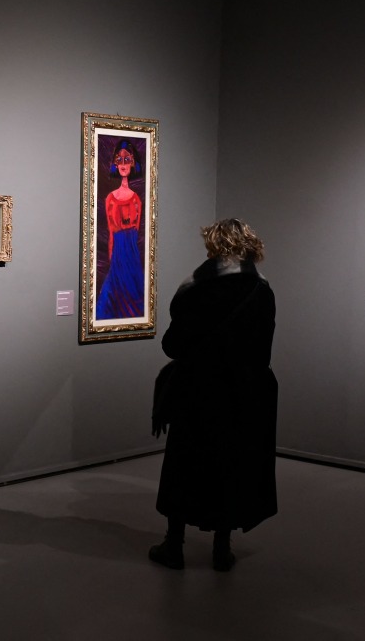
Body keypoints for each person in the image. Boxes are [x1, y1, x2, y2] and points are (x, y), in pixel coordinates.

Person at [149, 218, 277, 572]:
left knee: (184, 465)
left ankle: (174, 545)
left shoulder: (197, 287)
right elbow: (263, 351)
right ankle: (222, 549)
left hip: (197, 391)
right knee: (230, 466)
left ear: (214, 247)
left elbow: (173, 345)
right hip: (242, 395)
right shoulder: (261, 290)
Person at [95, 140, 146, 320]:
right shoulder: (110, 198)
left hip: (131, 255)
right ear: (115, 164)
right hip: (117, 253)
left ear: (133, 163)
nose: (123, 164)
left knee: (134, 294)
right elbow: (111, 231)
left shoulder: (136, 199)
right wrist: (112, 258)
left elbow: (135, 232)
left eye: (127, 159)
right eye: (120, 160)